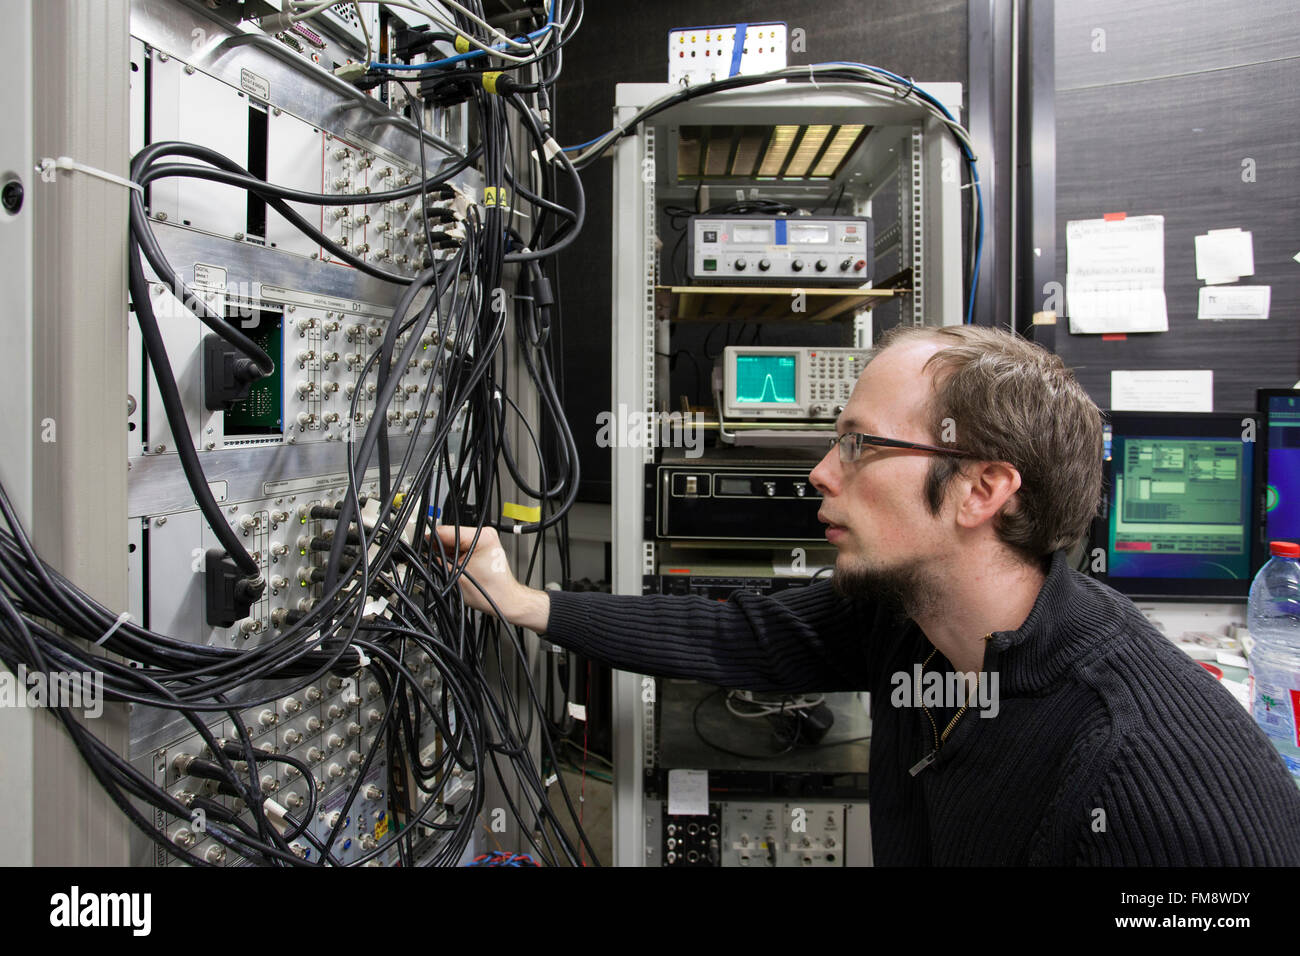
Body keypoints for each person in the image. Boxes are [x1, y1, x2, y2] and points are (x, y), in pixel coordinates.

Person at [435, 325, 1300, 865]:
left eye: (857, 446)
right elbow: (737, 634)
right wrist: (523, 602)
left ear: (979, 490)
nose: (818, 472)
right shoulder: (912, 618)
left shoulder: (1144, 773)